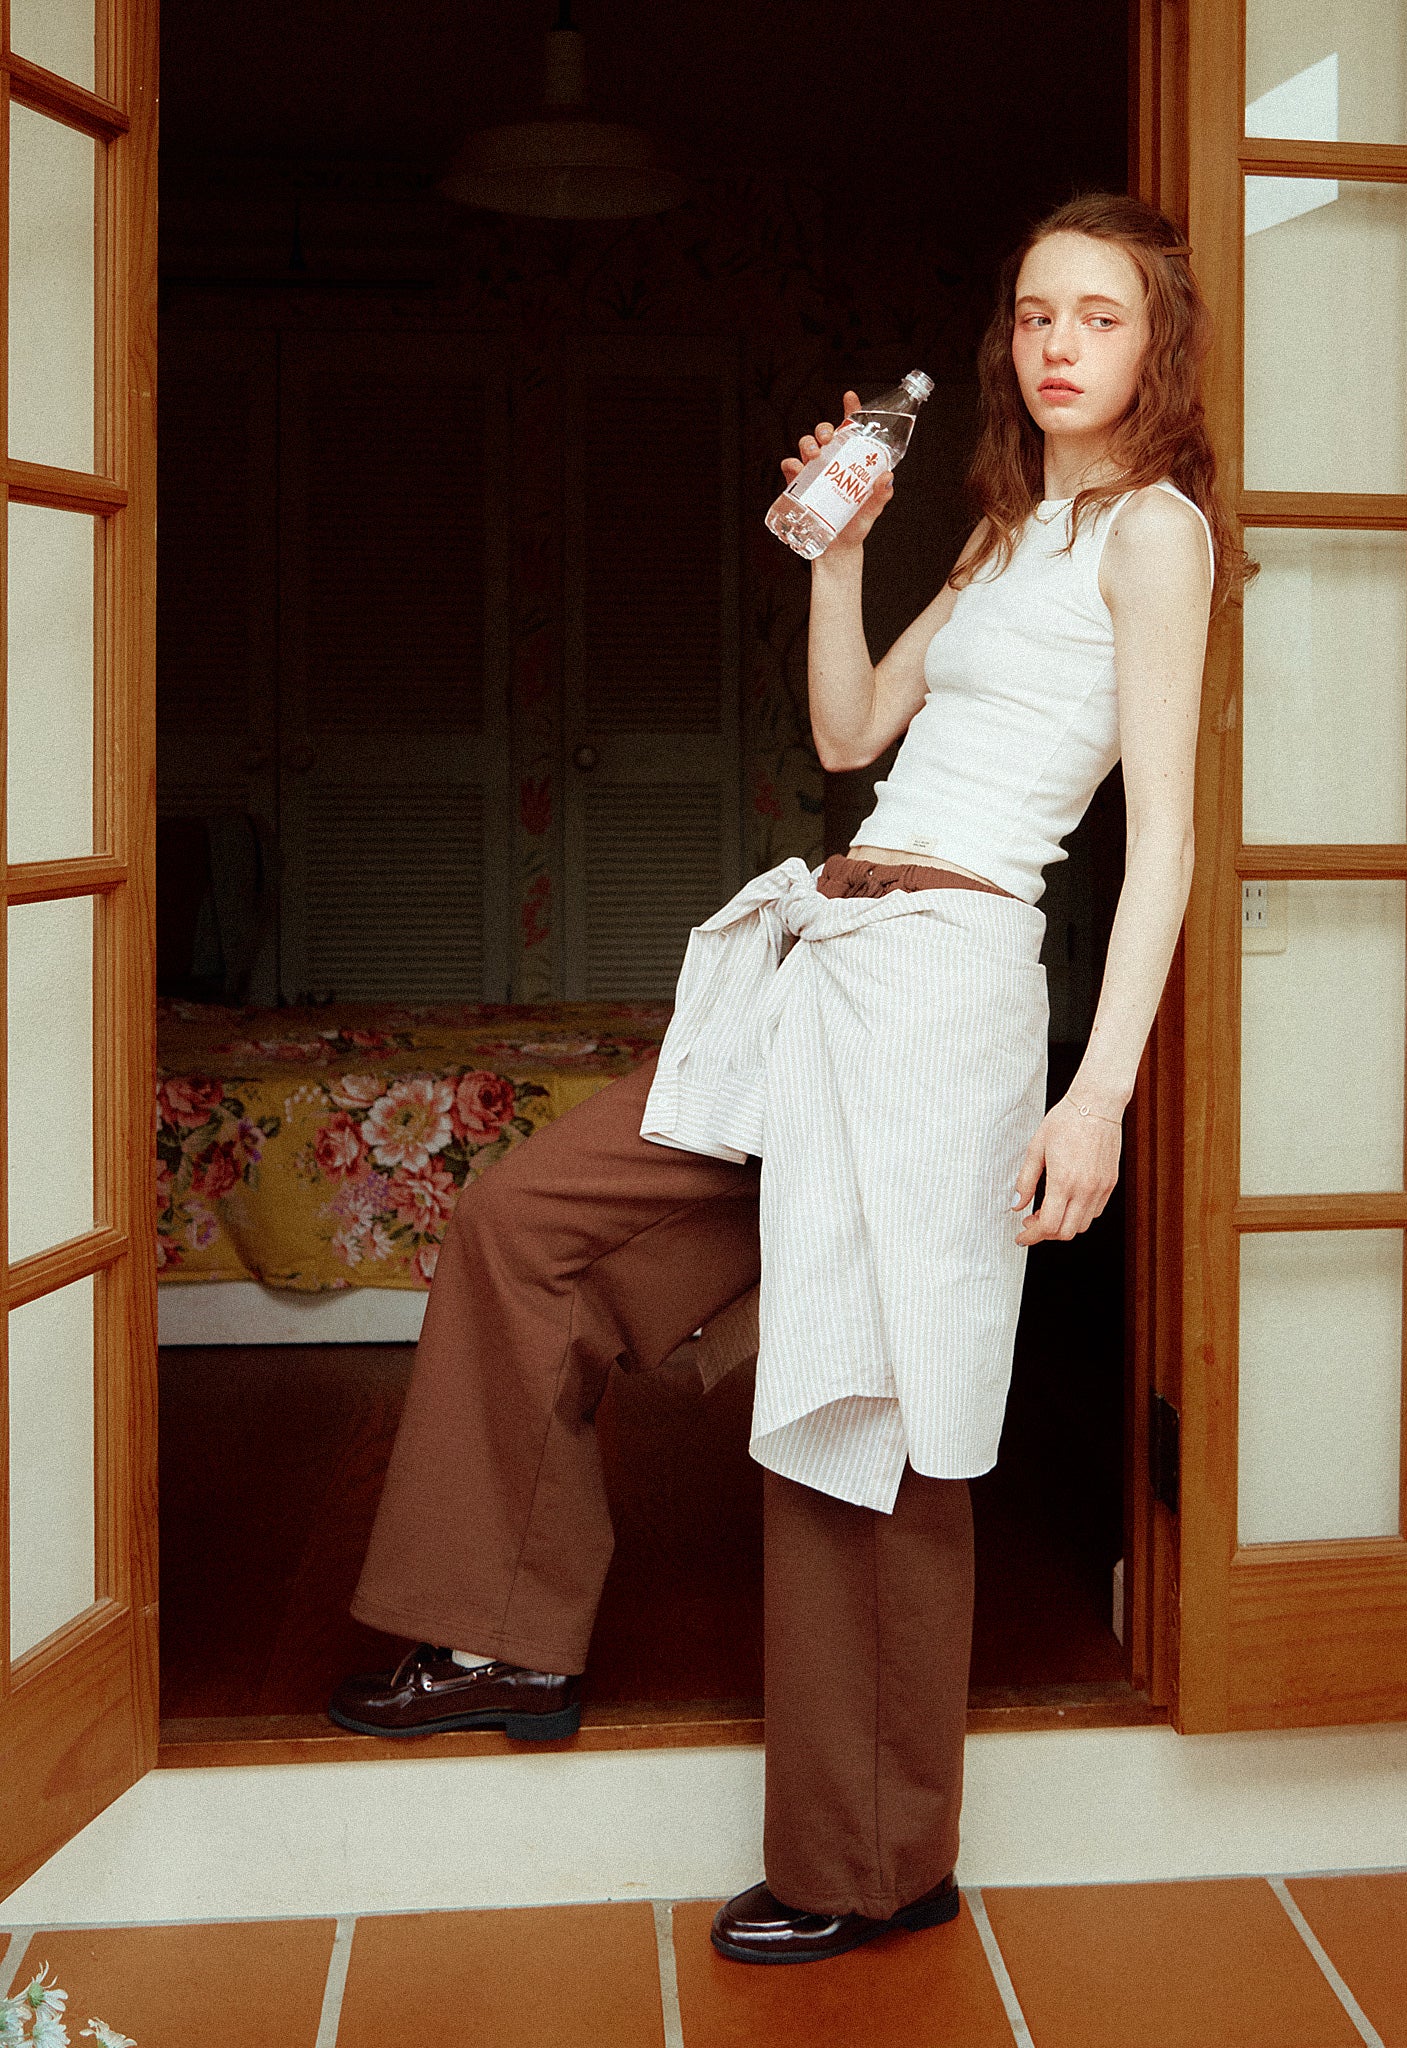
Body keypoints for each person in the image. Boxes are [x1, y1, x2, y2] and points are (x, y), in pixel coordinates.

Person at [329, 190, 1250, 1964]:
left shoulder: (1156, 536)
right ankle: (501, 1636)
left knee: (865, 1411)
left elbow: (1168, 846)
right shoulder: (1008, 527)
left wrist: (1099, 1096)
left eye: (1101, 315)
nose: (1059, 344)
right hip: (829, 953)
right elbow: (849, 733)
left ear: (1160, 344)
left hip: (951, 989)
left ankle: (871, 1862)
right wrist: (844, 552)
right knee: (529, 1221)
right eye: (1035, 313)